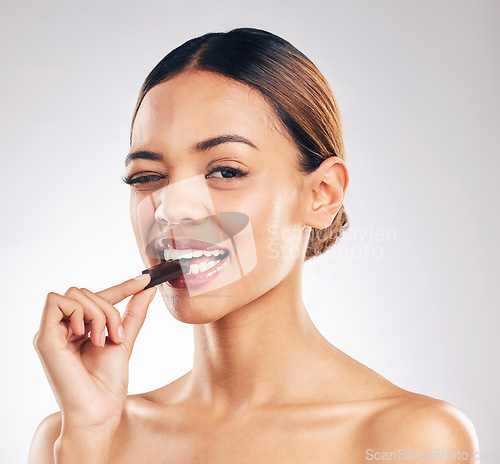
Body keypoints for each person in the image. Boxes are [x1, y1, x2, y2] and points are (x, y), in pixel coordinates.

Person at [29, 28, 479, 463]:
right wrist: (88, 443)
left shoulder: (414, 439)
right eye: (147, 176)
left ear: (322, 194)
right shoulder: (71, 435)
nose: (170, 209)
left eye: (225, 171)